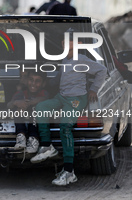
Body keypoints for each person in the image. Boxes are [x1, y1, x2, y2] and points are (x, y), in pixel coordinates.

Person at [30, 28, 107, 186]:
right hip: (61, 97)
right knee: (41, 107)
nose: (65, 44)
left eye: (70, 42)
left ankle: (69, 171)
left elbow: (102, 70)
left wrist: (93, 89)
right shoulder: (65, 59)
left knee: (65, 126)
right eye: (64, 41)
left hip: (76, 99)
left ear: (78, 44)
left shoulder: (82, 59)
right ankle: (46, 146)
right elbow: (60, 77)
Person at [7, 71, 49, 153]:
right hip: (21, 116)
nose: (33, 83)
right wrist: (16, 103)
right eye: (31, 80)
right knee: (18, 107)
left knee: (35, 108)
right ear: (26, 81)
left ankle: (33, 138)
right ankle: (21, 136)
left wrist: (27, 103)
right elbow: (9, 105)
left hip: (35, 119)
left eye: (38, 81)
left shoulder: (43, 93)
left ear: (43, 83)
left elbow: (45, 98)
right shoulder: (21, 93)